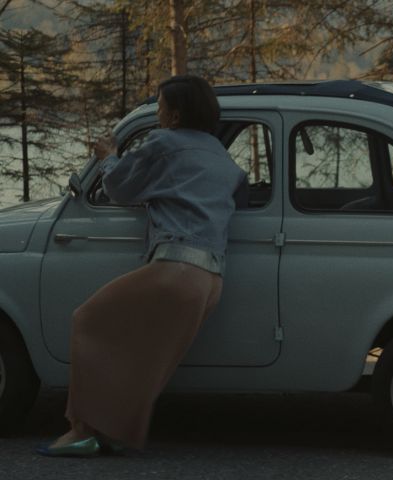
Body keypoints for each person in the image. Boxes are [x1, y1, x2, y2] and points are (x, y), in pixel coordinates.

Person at [38, 75, 246, 457]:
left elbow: (119, 187)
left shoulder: (165, 142)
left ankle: (80, 431)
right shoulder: (221, 155)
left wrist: (108, 156)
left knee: (88, 320)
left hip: (177, 266)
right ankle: (114, 432)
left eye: (162, 107)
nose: (159, 113)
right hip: (211, 277)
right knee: (148, 356)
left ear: (175, 115)